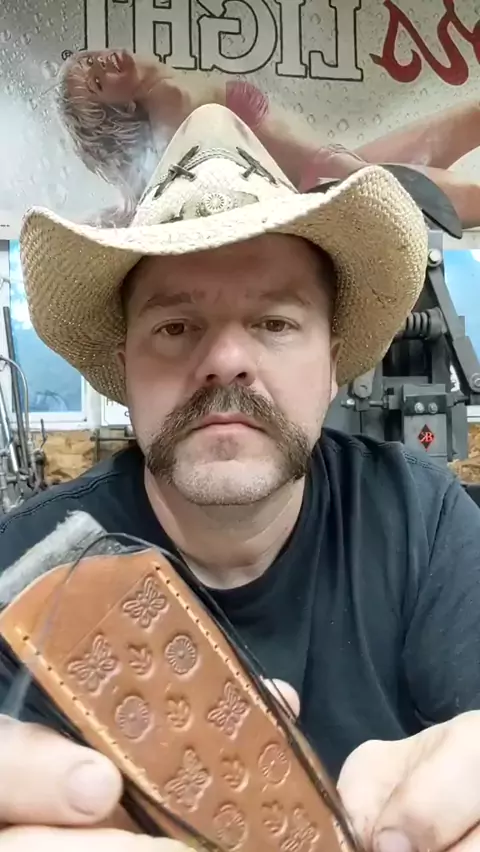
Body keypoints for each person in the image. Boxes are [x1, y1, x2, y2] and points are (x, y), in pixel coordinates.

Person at [1, 103, 480, 850]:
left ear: (333, 367)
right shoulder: (25, 573)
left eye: (275, 323)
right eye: (176, 327)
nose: (225, 361)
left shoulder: (425, 522)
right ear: (126, 373)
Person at [57, 48, 480, 227]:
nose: (103, 63)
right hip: (331, 185)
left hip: (331, 175)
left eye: (91, 60)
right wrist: (363, 178)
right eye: (97, 82)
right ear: (119, 109)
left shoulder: (168, 91)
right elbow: (188, 185)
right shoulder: (170, 99)